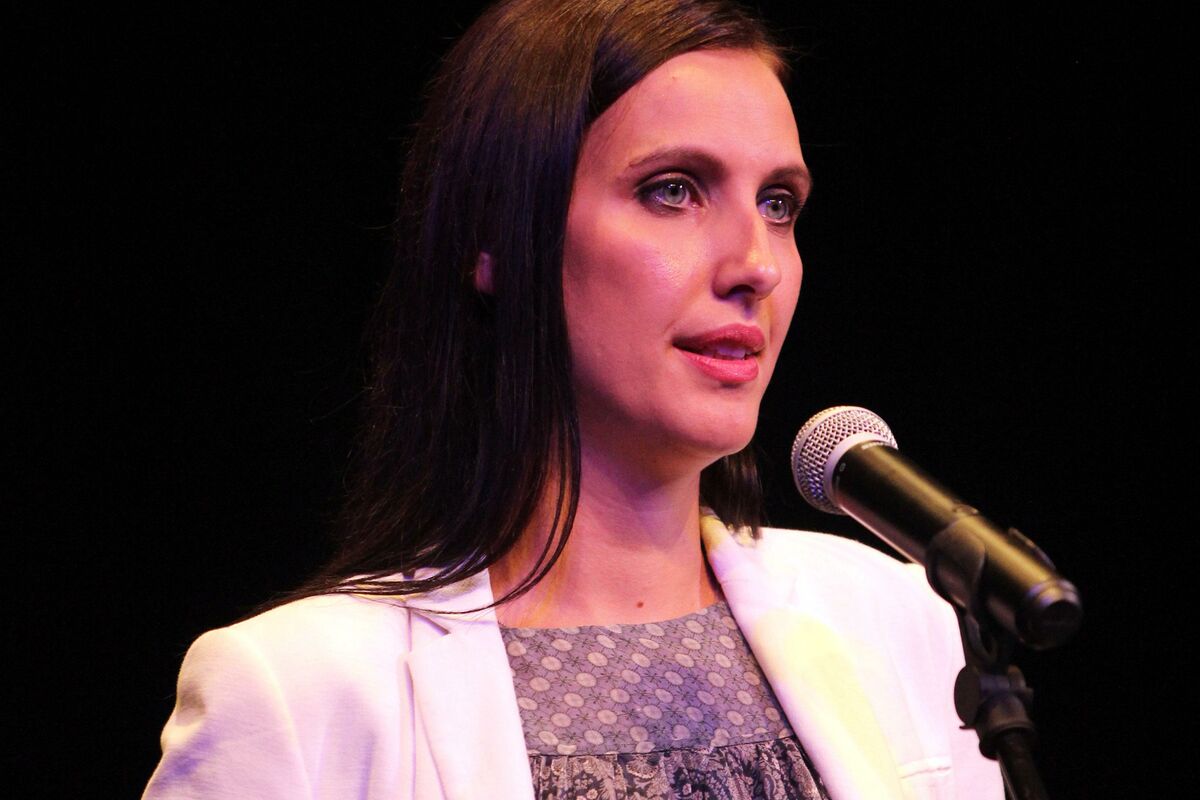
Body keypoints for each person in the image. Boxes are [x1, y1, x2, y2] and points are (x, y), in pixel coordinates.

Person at [144, 1, 1004, 797]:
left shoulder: (902, 620)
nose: (757, 265)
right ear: (496, 237)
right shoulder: (297, 695)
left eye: (778, 204)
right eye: (674, 190)